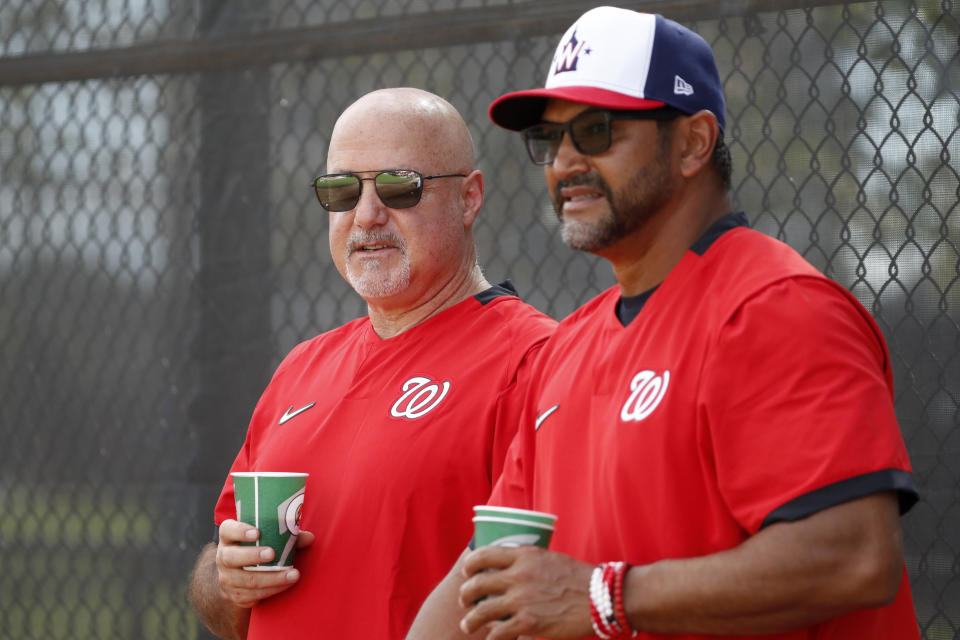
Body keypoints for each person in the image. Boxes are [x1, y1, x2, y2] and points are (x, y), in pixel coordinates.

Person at [407, 7, 920, 640]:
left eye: (596, 130)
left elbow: (855, 557)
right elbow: (483, 576)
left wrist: (601, 596)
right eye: (549, 138)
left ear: (694, 143)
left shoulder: (775, 307)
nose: (564, 162)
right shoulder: (566, 349)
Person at [188, 87, 557, 640]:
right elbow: (220, 599)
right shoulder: (302, 367)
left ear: (469, 198)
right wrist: (226, 579)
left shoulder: (536, 360)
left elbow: (555, 598)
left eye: (398, 186)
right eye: (341, 190)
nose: (365, 214)